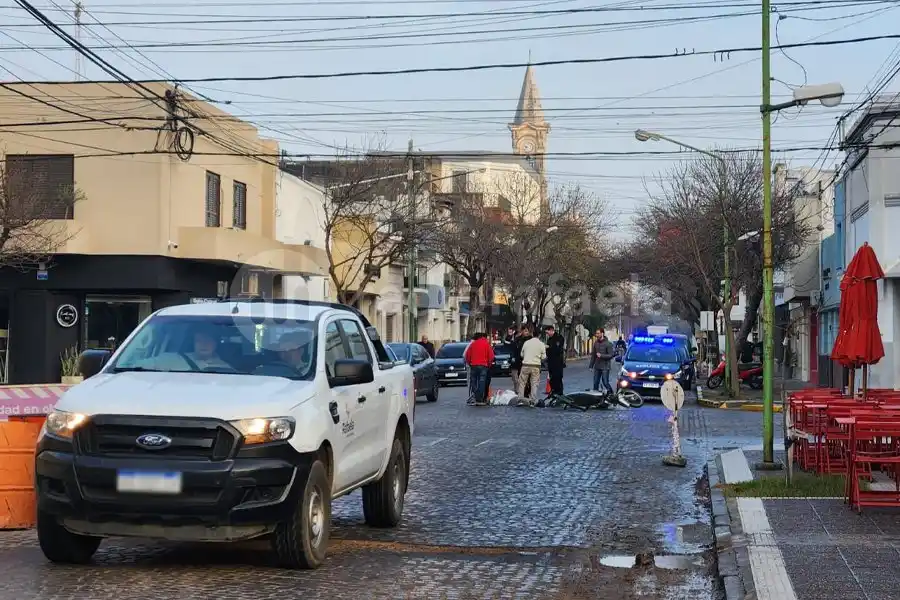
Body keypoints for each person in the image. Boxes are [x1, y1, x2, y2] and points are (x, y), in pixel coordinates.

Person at [464, 332, 494, 406]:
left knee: (473, 381)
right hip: (483, 366)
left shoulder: (473, 344)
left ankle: (476, 395)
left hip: (473, 365)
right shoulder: (486, 344)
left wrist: (470, 363)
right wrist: (489, 365)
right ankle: (480, 398)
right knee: (482, 382)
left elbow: (467, 355)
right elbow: (491, 356)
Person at [519, 328, 546, 407]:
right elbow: (544, 357)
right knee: (534, 383)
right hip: (536, 366)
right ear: (539, 335)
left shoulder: (526, 343)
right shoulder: (541, 344)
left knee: (522, 383)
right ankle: (532, 401)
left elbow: (521, 354)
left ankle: (520, 400)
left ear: (532, 334)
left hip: (525, 365)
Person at [589, 328, 615, 394]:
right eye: (596, 333)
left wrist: (601, 355)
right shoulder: (596, 343)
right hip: (597, 366)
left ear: (602, 333)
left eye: (598, 333)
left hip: (605, 367)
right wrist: (591, 366)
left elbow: (611, 355)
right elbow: (593, 355)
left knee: (605, 382)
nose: (596, 335)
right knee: (595, 383)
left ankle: (611, 394)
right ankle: (595, 396)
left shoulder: (608, 344)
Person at [545, 325, 566, 397]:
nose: (547, 334)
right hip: (551, 362)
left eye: (548, 332)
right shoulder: (549, 339)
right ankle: (553, 392)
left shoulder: (559, 338)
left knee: (558, 378)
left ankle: (559, 393)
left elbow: (558, 349)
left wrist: (549, 348)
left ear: (551, 330)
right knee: (552, 379)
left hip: (557, 362)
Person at [510, 325, 529, 396]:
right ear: (522, 331)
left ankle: (525, 392)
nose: (526, 333)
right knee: (519, 377)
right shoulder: (517, 340)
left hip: (526, 361)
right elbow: (514, 349)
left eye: (527, 331)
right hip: (518, 361)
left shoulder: (529, 339)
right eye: (525, 331)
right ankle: (520, 392)